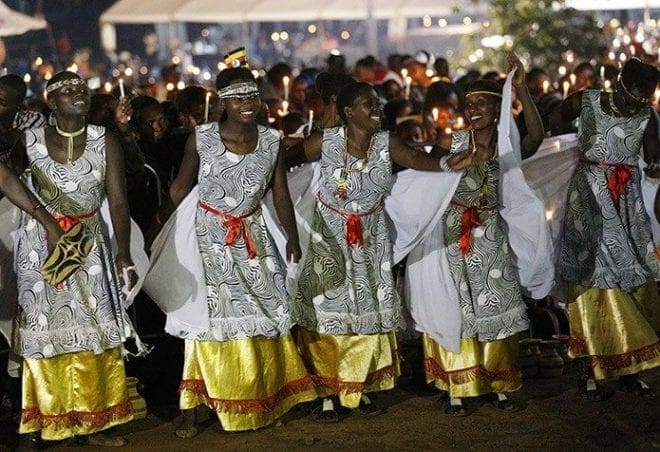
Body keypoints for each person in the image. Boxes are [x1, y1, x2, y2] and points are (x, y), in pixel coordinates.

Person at [149, 54, 318, 437]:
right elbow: (180, 187)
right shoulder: (202, 137)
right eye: (239, 98)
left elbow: (279, 196)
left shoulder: (271, 140)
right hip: (208, 238)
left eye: (253, 97)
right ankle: (193, 408)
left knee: (266, 307)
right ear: (222, 100)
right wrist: (154, 227)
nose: (248, 105)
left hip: (253, 236)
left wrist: (290, 236)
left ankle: (262, 398)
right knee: (205, 319)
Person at [292, 80, 473, 422]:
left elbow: (418, 160)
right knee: (329, 313)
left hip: (371, 243)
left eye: (376, 103)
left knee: (368, 315)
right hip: (328, 241)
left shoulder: (385, 143)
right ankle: (329, 393)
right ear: (348, 112)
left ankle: (361, 387)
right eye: (366, 104)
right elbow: (283, 164)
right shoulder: (324, 142)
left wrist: (450, 165)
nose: (376, 109)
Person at [7, 71, 140, 447]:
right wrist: (44, 219)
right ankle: (47, 421)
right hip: (43, 247)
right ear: (50, 100)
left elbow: (117, 200)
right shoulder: (27, 141)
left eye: (82, 88)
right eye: (67, 89)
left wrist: (124, 252)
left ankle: (98, 422)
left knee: (95, 329)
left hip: (90, 246)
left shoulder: (104, 140)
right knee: (44, 331)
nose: (77, 93)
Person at [412, 53, 545, 416]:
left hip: (490, 238)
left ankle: (498, 383)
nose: (472, 110)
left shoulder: (506, 147)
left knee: (497, 305)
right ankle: (456, 386)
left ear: (498, 107)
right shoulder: (450, 142)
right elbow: (427, 181)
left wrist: (521, 90)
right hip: (451, 235)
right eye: (468, 104)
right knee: (454, 306)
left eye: (481, 103)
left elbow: (536, 135)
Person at [555, 57, 660, 400]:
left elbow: (653, 157)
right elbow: (549, 125)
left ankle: (628, 367)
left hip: (626, 202)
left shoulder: (648, 116)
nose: (634, 107)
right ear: (617, 83)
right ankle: (589, 366)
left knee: (632, 278)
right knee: (593, 277)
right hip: (588, 199)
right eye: (631, 99)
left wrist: (656, 165)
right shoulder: (584, 101)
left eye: (642, 102)